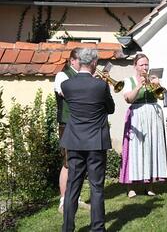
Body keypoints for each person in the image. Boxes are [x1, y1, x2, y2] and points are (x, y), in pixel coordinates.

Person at [60, 48, 115, 232]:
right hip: (95, 142)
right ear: (92, 63)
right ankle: (97, 229)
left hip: (74, 141)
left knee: (72, 186)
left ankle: (67, 228)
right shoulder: (100, 85)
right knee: (97, 187)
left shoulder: (67, 85)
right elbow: (111, 108)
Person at [119, 53, 167, 198]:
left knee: (151, 149)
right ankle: (130, 187)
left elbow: (162, 96)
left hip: (153, 117)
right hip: (137, 117)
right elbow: (128, 99)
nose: (144, 67)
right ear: (135, 66)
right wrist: (139, 86)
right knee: (135, 151)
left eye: (146, 64)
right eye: (141, 65)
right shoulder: (129, 81)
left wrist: (157, 84)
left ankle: (149, 185)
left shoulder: (153, 79)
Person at [54, 47, 85, 213]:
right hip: (67, 123)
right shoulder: (62, 75)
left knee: (79, 162)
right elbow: (66, 93)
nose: (84, 63)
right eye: (81, 60)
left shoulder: (81, 75)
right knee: (67, 163)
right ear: (72, 60)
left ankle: (76, 198)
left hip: (80, 123)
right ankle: (63, 200)